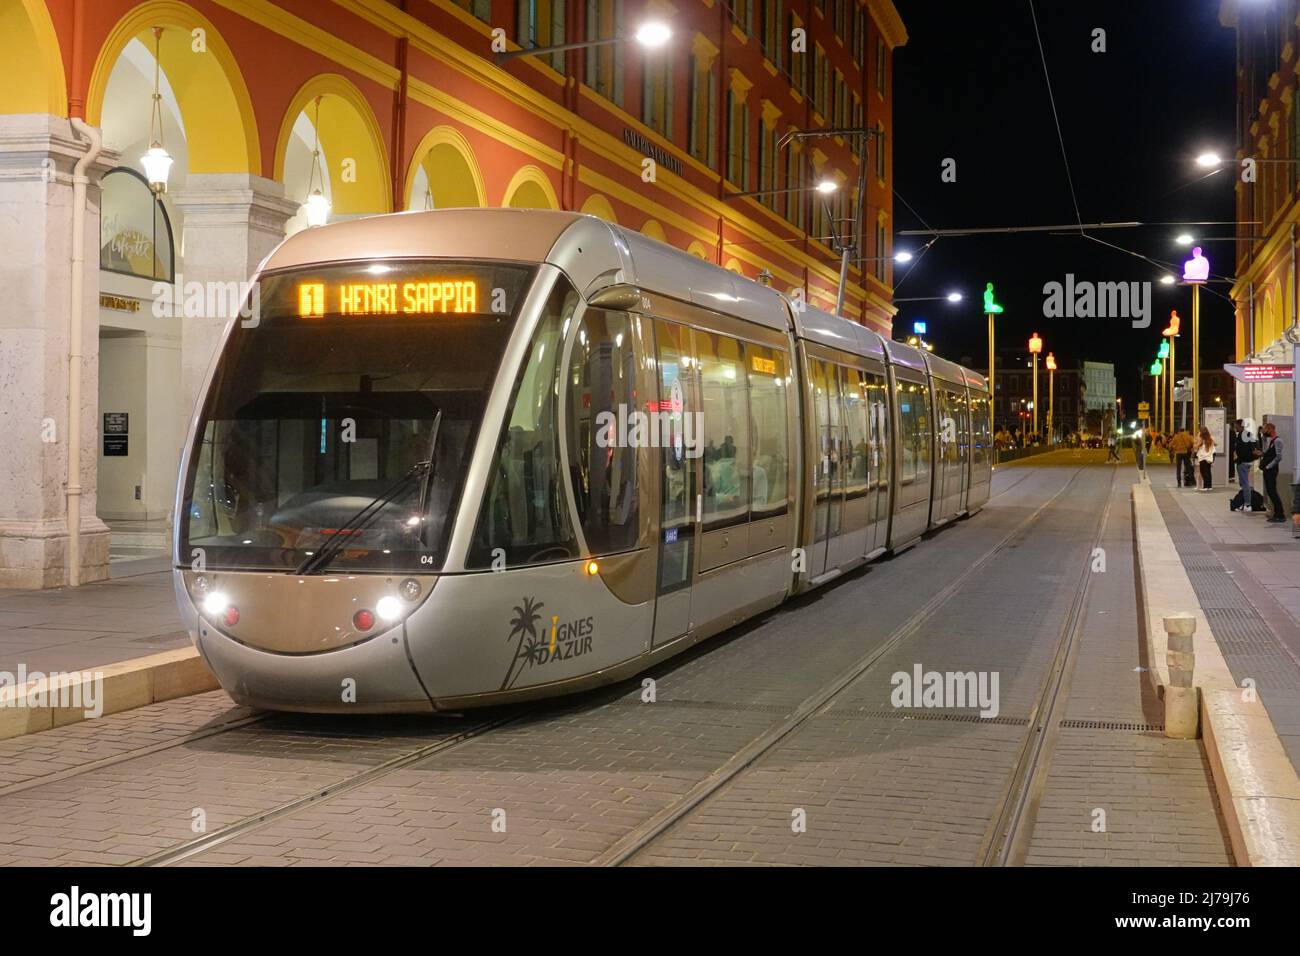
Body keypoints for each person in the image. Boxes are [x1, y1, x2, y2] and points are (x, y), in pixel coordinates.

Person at [1259, 422, 1286, 523]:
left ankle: (1280, 514)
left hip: (1272, 470)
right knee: (1270, 492)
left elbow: (1278, 457)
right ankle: (1277, 513)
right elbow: (1270, 454)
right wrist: (1262, 453)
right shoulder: (1272, 441)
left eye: (1265, 429)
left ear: (1270, 429)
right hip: (1268, 470)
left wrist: (1268, 466)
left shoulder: (1278, 441)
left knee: (1272, 492)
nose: (1264, 431)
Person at [1234, 420, 1259, 512]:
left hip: (1243, 462)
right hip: (1249, 461)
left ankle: (1248, 504)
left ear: (1239, 425)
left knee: (1244, 484)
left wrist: (1239, 460)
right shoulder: (1249, 434)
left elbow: (1242, 450)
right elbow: (1255, 445)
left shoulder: (1242, 435)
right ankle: (1245, 502)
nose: (1235, 427)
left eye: (1235, 425)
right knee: (1245, 483)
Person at [1194, 427, 1215, 491]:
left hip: (1203, 458)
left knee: (1203, 472)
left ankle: (1206, 486)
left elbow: (1196, 446)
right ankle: (1209, 486)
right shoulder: (1210, 438)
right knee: (1208, 472)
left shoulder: (1203, 440)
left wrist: (1198, 440)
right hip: (1209, 458)